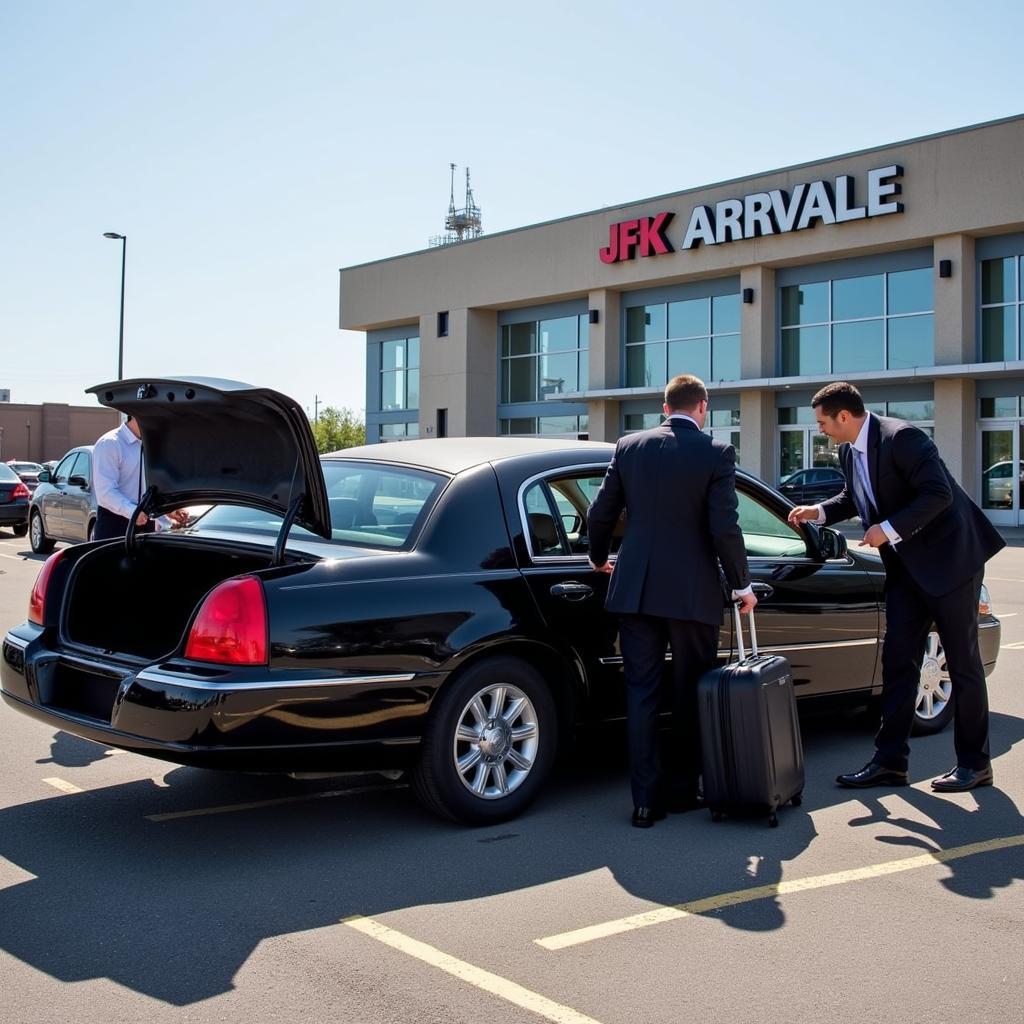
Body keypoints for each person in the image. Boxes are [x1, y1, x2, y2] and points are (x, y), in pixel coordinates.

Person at [788, 382, 1004, 793]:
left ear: (844, 416)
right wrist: (818, 511)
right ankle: (890, 763)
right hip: (906, 570)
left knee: (963, 665)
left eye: (822, 422)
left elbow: (937, 494)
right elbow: (856, 496)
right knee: (897, 662)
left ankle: (975, 765)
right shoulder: (849, 451)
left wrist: (887, 529)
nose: (821, 430)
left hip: (949, 564)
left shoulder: (901, 437)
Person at [587, 374, 755, 828]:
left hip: (635, 589)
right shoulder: (716, 452)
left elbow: (601, 511)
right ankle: (682, 792)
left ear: (665, 408)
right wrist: (742, 585)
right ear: (702, 407)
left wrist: (599, 558)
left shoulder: (628, 446)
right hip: (691, 591)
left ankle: (644, 801)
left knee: (641, 694)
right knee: (689, 692)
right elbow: (724, 527)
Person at [93, 416, 189, 540]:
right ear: (134, 414)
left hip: (144, 527)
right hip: (114, 527)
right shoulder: (110, 443)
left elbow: (150, 492)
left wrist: (167, 511)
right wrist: (133, 512)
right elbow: (105, 493)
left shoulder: (152, 446)